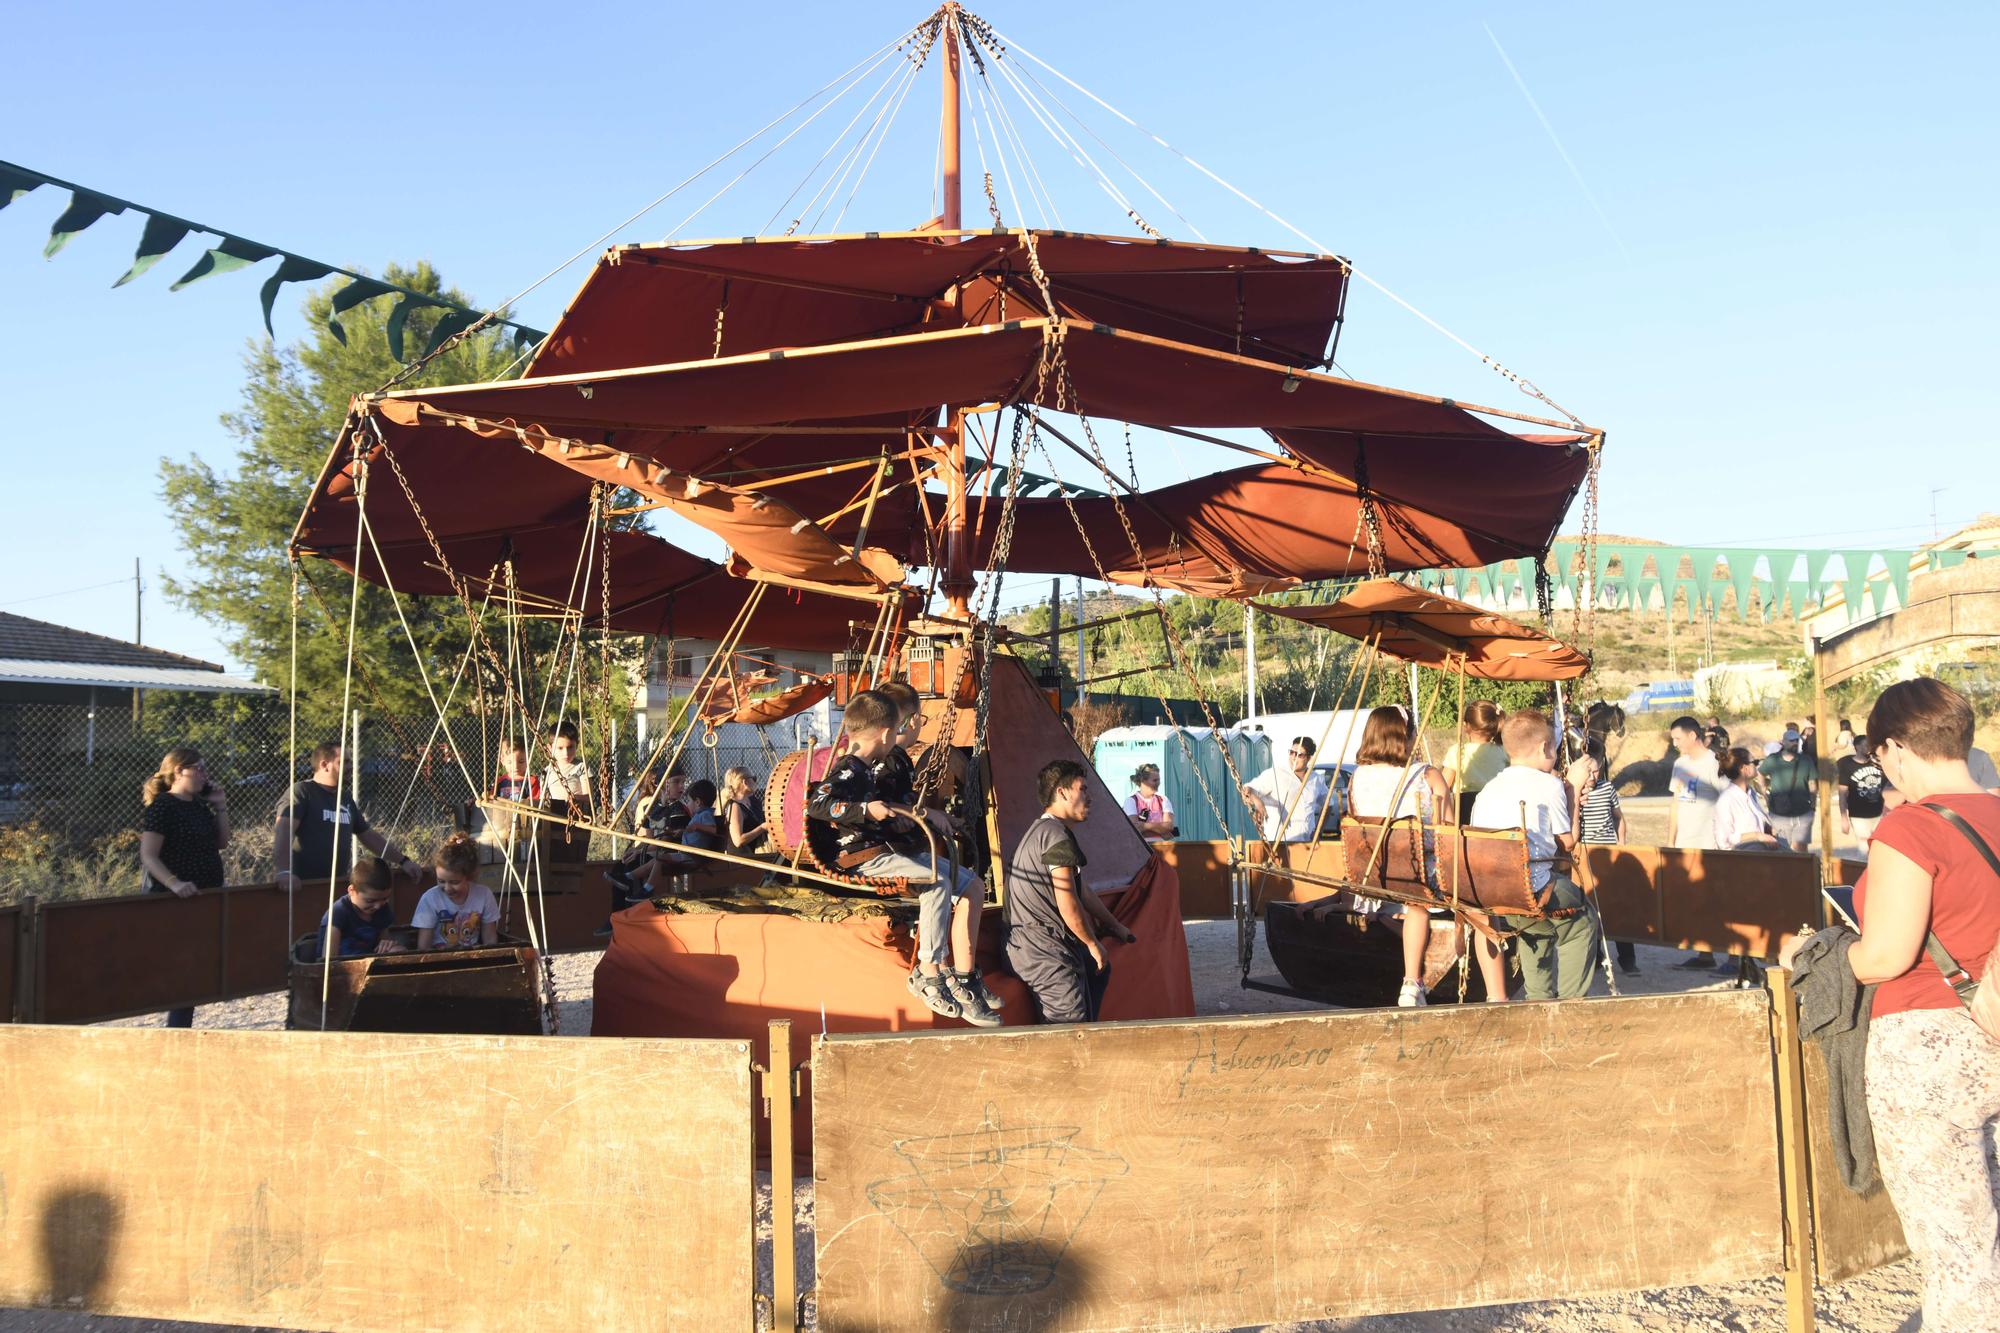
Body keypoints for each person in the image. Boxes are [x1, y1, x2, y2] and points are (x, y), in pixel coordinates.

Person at [1779, 678, 2000, 1325]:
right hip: (1993, 1026)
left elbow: (1886, 955)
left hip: (1931, 1054)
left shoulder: (1911, 827)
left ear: (1896, 748)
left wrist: (1816, 955)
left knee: (1959, 1249)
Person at [807, 690, 1000, 1026]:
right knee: (937, 882)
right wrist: (866, 809)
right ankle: (928, 972)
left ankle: (963, 975)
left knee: (971, 883)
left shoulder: (865, 768)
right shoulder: (851, 770)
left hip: (883, 851)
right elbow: (817, 803)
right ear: (885, 733)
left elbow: (887, 808)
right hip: (863, 857)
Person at [1348, 707, 1507, 1006]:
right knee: (1483, 912)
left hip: (1379, 869)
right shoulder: (1426, 774)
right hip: (1425, 870)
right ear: (1404, 737)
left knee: (1416, 905)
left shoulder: (1357, 777)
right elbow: (1448, 828)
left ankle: (1411, 983)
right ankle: (1498, 996)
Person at [1470, 710, 1600, 1001]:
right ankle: (1570, 1003)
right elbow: (1567, 842)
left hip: (1498, 893)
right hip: (1534, 886)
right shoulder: (1548, 785)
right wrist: (1575, 790)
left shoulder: (1489, 789)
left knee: (1537, 928)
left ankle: (1538, 999)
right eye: (1554, 747)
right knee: (1583, 921)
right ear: (1545, 748)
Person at [1004, 759, 1137, 1024]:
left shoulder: (1042, 832)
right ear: (1062, 793)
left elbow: (1081, 890)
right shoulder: (1056, 837)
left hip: (1029, 948)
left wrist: (1115, 926)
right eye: (1083, 789)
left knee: (1097, 973)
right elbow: (1067, 900)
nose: (1089, 797)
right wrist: (1091, 943)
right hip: (1044, 954)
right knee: (1068, 1030)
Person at [138, 746, 232, 1029]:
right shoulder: (163, 806)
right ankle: (177, 1027)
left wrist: (220, 805)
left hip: (205, 894)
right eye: (200, 769)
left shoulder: (199, 806)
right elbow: (149, 855)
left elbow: (222, 842)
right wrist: (174, 883)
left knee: (195, 966)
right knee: (181, 967)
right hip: (175, 899)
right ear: (179, 771)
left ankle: (181, 1024)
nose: (206, 775)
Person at [273, 740, 416, 889]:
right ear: (324, 765)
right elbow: (283, 830)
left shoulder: (345, 798)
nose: (350, 767)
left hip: (335, 885)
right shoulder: (302, 791)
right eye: (345, 762)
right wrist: (284, 871)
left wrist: (403, 861)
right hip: (301, 886)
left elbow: (368, 835)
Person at [1665, 716, 1723, 969]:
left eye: (1678, 738)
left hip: (1709, 842)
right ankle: (1704, 953)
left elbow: (1727, 800)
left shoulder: (1714, 763)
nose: (1675, 743)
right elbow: (1676, 802)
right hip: (1685, 842)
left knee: (1712, 897)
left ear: (1692, 736)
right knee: (1693, 898)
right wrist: (1671, 841)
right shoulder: (1679, 764)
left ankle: (1728, 953)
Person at [1574, 742, 1636, 976]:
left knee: (1617, 904)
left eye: (1596, 769)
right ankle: (1597, 956)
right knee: (1589, 905)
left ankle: (1627, 958)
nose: (1592, 775)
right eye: (1587, 771)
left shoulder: (1607, 788)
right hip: (1586, 854)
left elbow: (1618, 817)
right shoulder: (1574, 791)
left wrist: (1621, 843)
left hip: (1609, 850)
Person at [414, 833, 501, 949]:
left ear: (469, 877)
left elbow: (490, 938)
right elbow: (424, 946)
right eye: (441, 881)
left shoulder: (484, 895)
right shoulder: (430, 899)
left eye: (455, 882)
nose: (447, 888)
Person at [1240, 736, 1330, 843]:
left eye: (1299, 755)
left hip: (1306, 843)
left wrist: (1318, 830)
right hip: (1279, 843)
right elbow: (1247, 789)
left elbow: (1328, 804)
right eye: (1291, 753)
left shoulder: (1316, 779)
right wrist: (1257, 801)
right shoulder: (1276, 773)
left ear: (1309, 758)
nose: (1294, 758)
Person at [318, 856, 402, 959]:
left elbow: (383, 945)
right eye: (370, 901)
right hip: (342, 964)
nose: (378, 906)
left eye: (385, 899)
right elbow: (329, 957)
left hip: (369, 961)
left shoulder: (382, 909)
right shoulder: (338, 911)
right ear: (351, 891)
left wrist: (386, 944)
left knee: (398, 950)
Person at [1440, 700, 1507, 823]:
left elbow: (1443, 785)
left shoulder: (1458, 751)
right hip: (1497, 809)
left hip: (1466, 810)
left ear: (1466, 726)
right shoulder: (1503, 751)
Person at [1760, 726, 1816, 851]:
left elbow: (1813, 785)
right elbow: (1760, 773)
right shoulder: (1773, 759)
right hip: (1779, 812)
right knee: (1782, 849)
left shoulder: (1806, 760)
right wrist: (1764, 791)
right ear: (1783, 742)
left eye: (1796, 740)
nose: (1795, 743)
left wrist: (1812, 806)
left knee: (1801, 850)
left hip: (1802, 811)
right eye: (1791, 740)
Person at [1716, 747, 1783, 851]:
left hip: (1761, 859)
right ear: (1744, 768)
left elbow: (1755, 823)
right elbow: (1724, 841)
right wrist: (1757, 836)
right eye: (1754, 762)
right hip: (1742, 862)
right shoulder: (1727, 799)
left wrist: (1769, 830)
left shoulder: (1751, 793)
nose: (1757, 765)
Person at [1838, 733, 1888, 851]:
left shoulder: (1876, 763)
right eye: (1865, 745)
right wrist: (1843, 817)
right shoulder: (1847, 765)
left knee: (1879, 846)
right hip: (1858, 814)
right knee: (1865, 849)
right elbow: (1842, 793)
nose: (1868, 748)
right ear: (1857, 747)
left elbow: (1888, 786)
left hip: (1879, 812)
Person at [1123, 764, 1177, 841]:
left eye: (1158, 780)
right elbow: (1135, 829)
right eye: (1155, 780)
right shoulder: (1131, 801)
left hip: (1162, 847)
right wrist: (1161, 830)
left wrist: (1145, 826)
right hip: (1141, 847)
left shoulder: (1163, 800)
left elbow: (1169, 826)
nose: (1158, 783)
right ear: (1143, 781)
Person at [722, 766, 768, 856]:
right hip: (742, 858)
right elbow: (738, 841)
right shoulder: (735, 807)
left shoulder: (753, 801)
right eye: (754, 778)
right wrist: (762, 828)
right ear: (745, 782)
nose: (756, 782)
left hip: (757, 852)